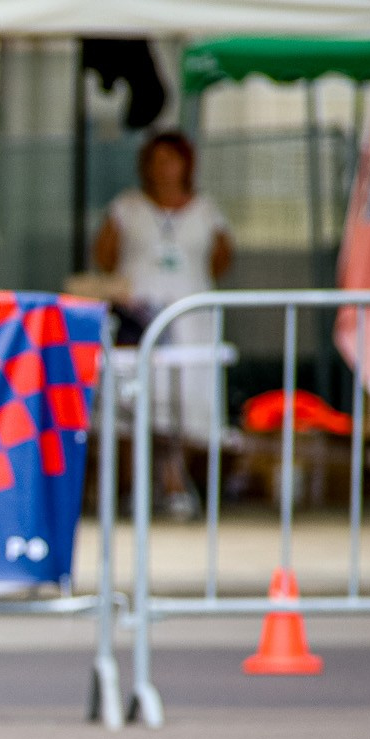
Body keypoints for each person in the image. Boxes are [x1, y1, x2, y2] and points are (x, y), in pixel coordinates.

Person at [94, 131, 234, 517]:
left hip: (190, 318)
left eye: (171, 160)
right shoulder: (126, 207)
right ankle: (130, 484)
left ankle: (174, 479)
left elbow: (222, 259)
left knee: (185, 399)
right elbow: (103, 257)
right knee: (134, 399)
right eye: (156, 161)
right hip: (139, 318)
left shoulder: (206, 210)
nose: (164, 169)